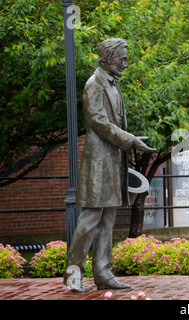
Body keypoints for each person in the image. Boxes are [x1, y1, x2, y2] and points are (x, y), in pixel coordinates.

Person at [63, 38, 156, 292]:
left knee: (108, 219)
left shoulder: (114, 86)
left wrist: (129, 143)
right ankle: (73, 274)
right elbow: (99, 123)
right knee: (91, 217)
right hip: (99, 163)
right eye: (122, 58)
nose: (126, 63)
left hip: (113, 160)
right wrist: (131, 140)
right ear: (107, 58)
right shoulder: (94, 85)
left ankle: (102, 273)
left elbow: (115, 123)